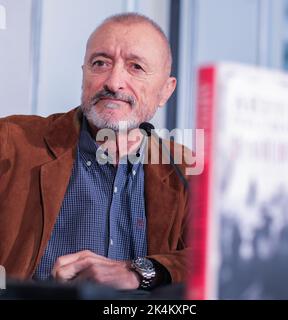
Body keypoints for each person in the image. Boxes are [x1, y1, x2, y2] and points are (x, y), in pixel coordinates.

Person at [0, 13, 191, 291]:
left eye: (135, 67)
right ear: (84, 74)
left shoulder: (186, 168)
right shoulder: (11, 143)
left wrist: (136, 272)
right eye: (100, 63)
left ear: (165, 90)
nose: (113, 82)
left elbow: (216, 260)